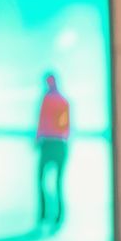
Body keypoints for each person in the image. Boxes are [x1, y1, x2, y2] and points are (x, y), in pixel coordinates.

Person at [36, 71, 71, 229]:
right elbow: (43, 123)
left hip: (54, 143)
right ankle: (48, 215)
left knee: (54, 182)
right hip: (55, 144)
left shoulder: (57, 102)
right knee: (49, 181)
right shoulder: (59, 101)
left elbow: (61, 125)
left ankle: (52, 215)